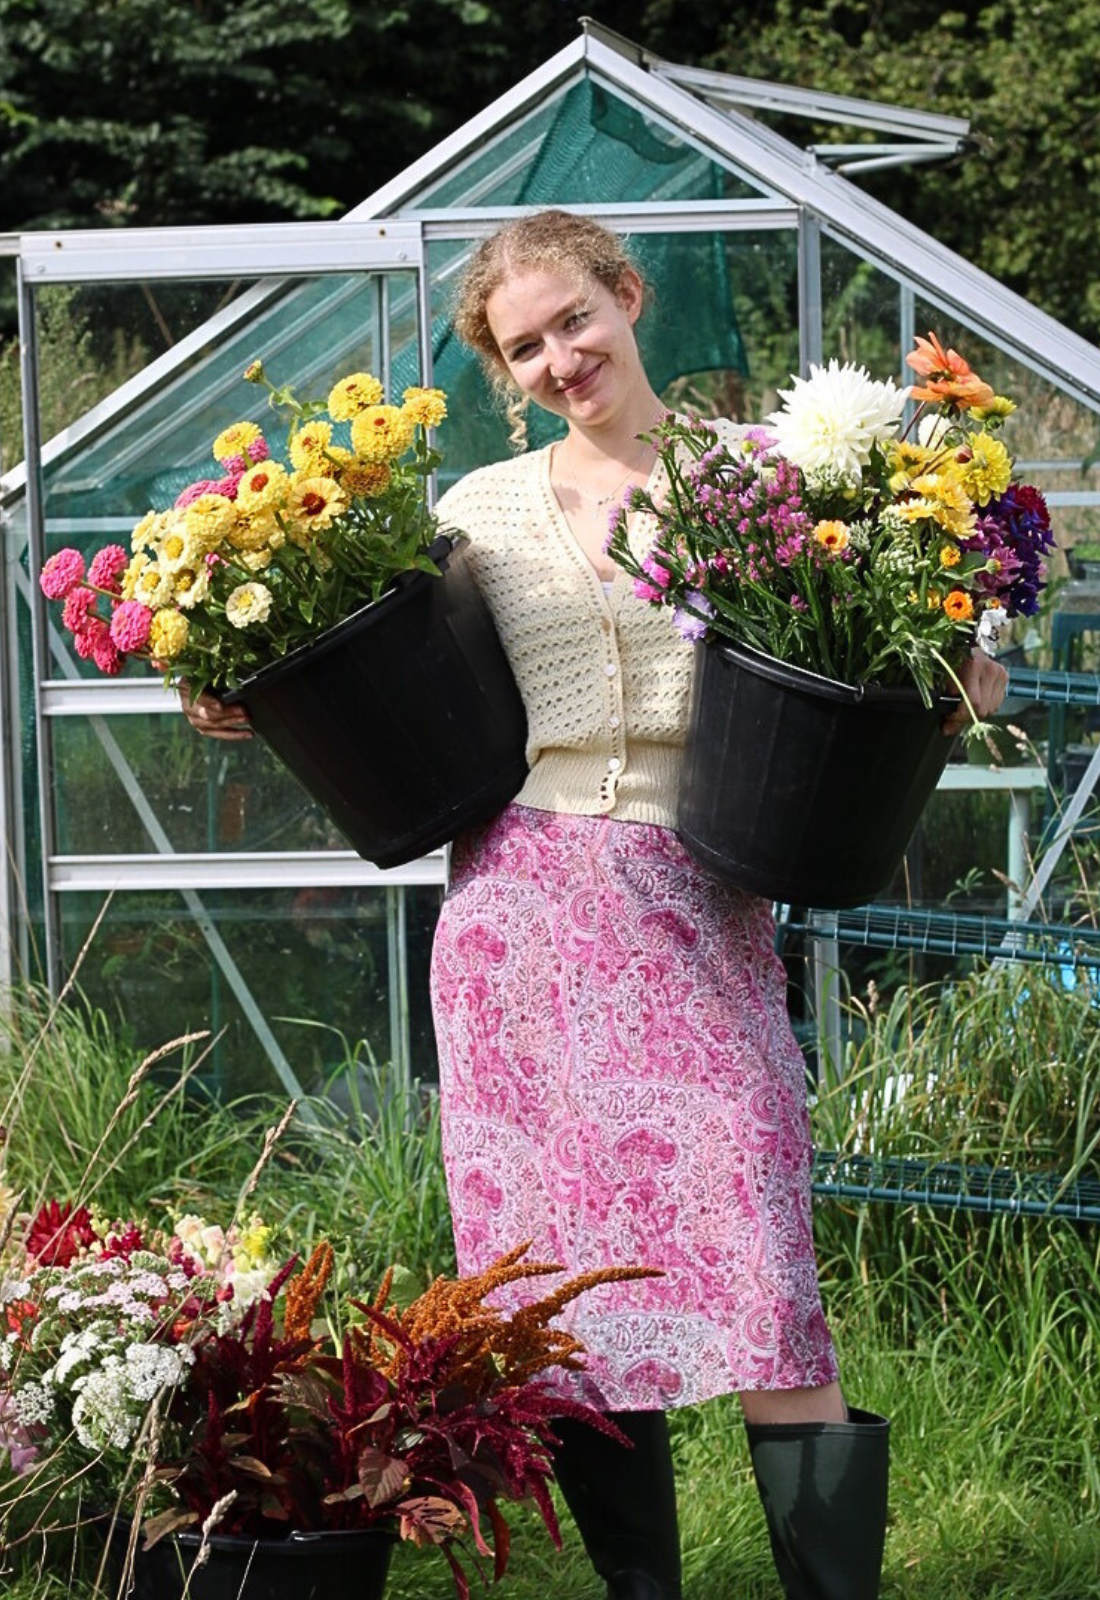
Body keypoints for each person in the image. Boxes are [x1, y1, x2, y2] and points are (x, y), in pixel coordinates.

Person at [184, 207, 1004, 1600]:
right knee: (575, 1315)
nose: (562, 357)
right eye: (526, 346)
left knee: (764, 1279)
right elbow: (368, 680)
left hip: (698, 902)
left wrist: (961, 665)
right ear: (503, 374)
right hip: (518, 921)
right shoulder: (473, 513)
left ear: (628, 299)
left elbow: (940, 642)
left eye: (576, 319)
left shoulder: (761, 476)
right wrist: (241, 692)